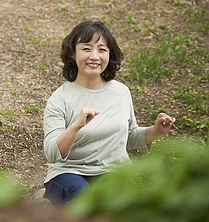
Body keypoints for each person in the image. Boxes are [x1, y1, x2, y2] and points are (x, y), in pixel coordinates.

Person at [43, 21, 175, 205]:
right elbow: (52, 153)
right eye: (87, 49)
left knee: (115, 201)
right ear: (73, 53)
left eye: (102, 50)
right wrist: (76, 126)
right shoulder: (60, 98)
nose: (94, 56)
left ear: (109, 54)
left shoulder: (121, 92)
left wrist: (156, 131)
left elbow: (128, 137)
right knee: (82, 197)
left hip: (112, 172)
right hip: (69, 173)